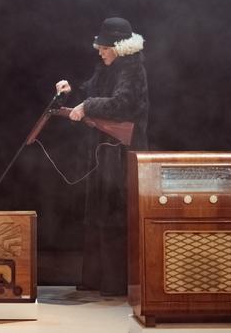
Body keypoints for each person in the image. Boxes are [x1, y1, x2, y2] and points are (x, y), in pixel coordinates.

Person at [55, 17, 148, 295]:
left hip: (122, 155)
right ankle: (96, 279)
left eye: (105, 47)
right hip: (104, 152)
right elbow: (92, 94)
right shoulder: (108, 67)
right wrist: (71, 92)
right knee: (97, 214)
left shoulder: (132, 69)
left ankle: (115, 282)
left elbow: (122, 104)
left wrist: (86, 105)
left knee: (114, 216)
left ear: (120, 47)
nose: (100, 51)